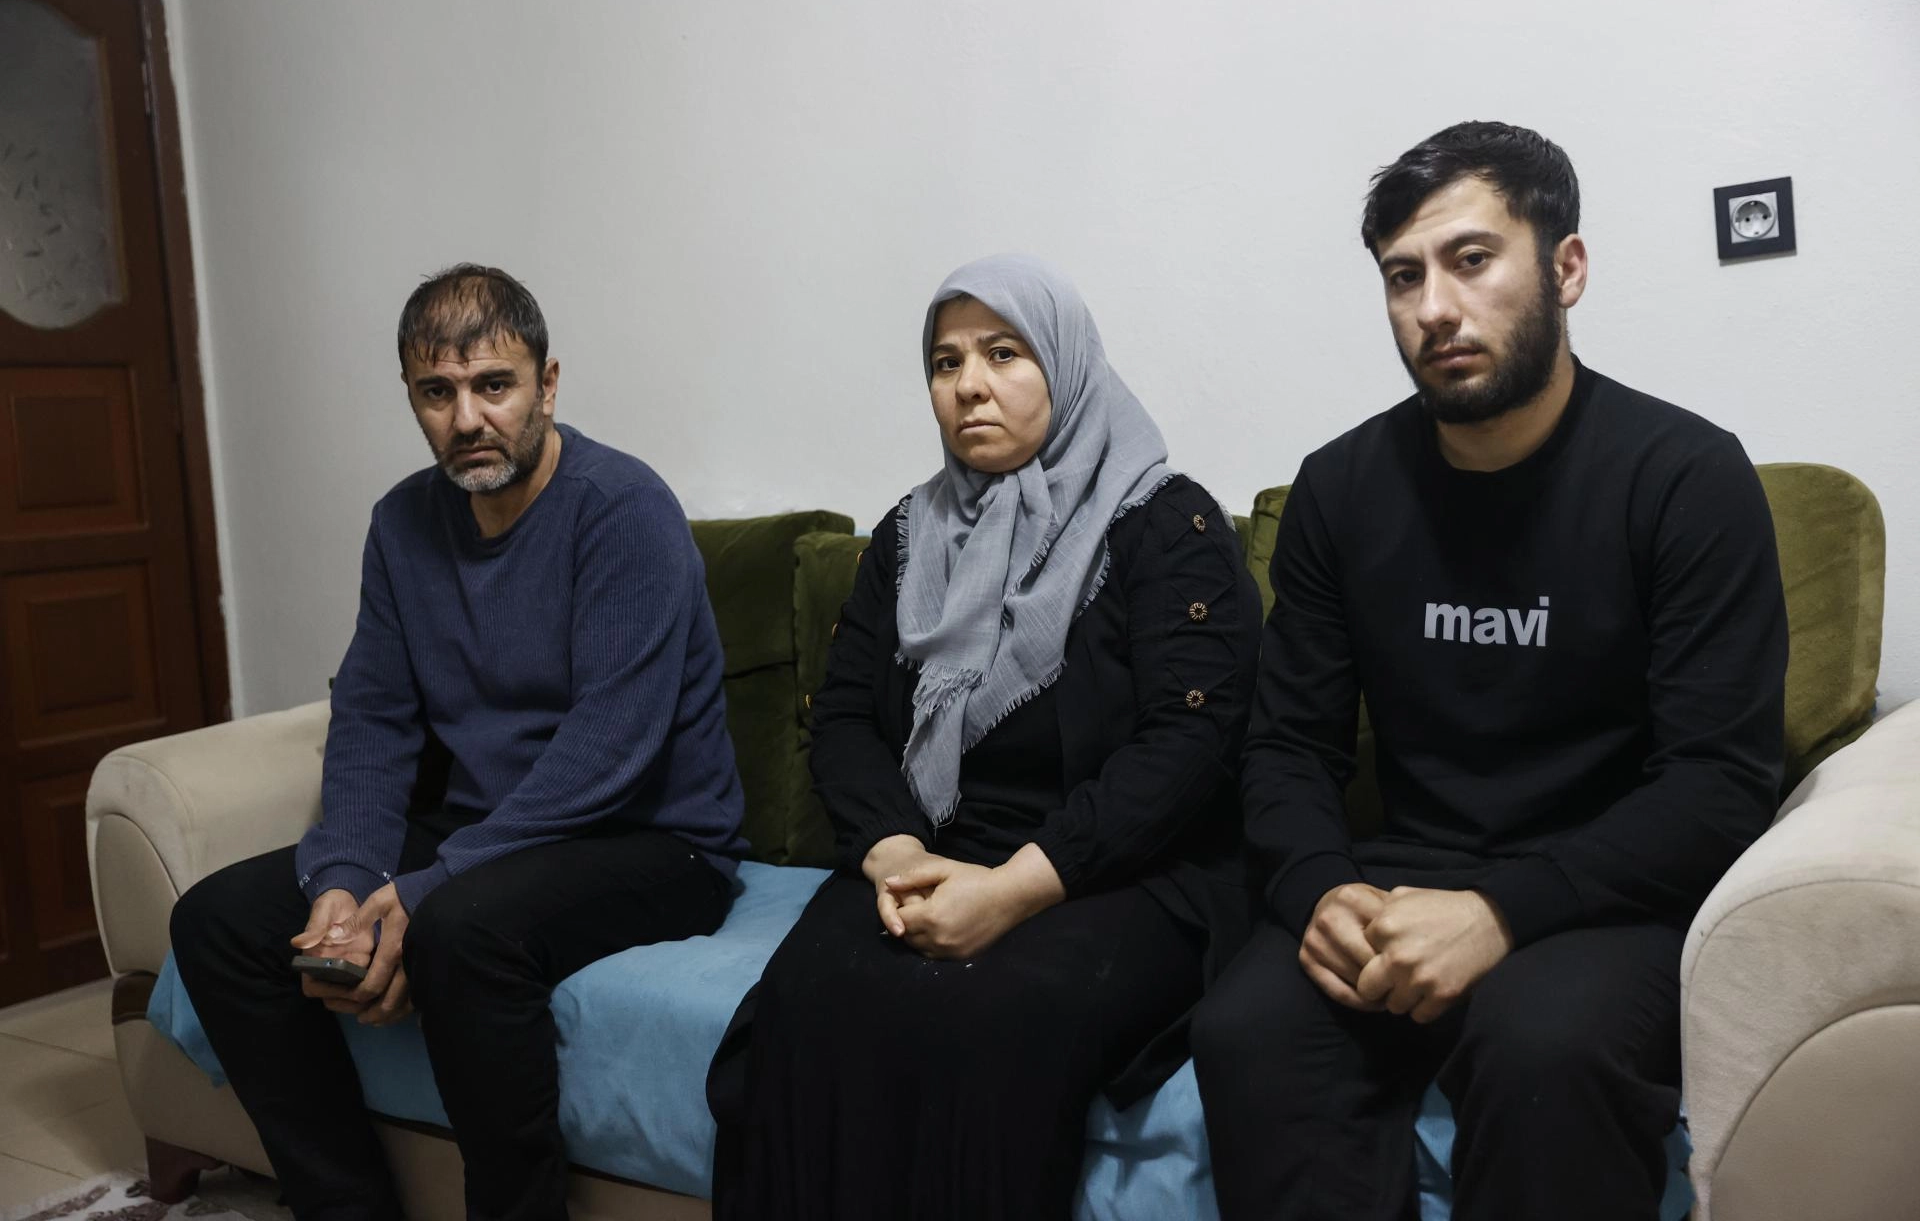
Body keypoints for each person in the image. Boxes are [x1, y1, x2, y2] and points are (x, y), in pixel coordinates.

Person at [1190, 122, 1789, 1221]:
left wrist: (1500, 912)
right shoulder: (1339, 487)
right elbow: (1285, 746)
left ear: (1567, 268)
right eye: (1403, 276)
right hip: (1400, 874)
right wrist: (1319, 887)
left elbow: (1719, 783)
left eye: (1472, 260)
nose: (1435, 308)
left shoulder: (1685, 477)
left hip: (1606, 892)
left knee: (1544, 1048)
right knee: (1246, 1031)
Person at [170, 264, 749, 1221]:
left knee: (462, 931)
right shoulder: (402, 524)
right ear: (412, 398)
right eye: (437, 392)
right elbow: (374, 720)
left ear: (547, 385)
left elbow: (608, 750)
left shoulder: (624, 508)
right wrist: (345, 879)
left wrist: (429, 889)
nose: (468, 418)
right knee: (218, 921)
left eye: (494, 385)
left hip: (653, 839)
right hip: (486, 830)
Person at [707, 254, 1260, 1220]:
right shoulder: (908, 534)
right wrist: (893, 854)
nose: (969, 384)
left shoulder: (1171, 528)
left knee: (988, 1017)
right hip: (930, 849)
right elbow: (843, 718)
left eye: (1004, 353)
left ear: (1066, 363)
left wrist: (1010, 893)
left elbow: (1189, 747)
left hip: (1121, 871)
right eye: (946, 361)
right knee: (808, 1000)